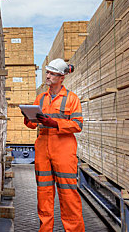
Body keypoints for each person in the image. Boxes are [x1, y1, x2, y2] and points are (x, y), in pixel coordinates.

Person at [23, 58, 85, 232]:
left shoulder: (71, 99)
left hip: (64, 151)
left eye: (52, 73)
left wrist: (56, 124)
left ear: (61, 77)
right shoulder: (40, 98)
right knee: (44, 197)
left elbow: (78, 125)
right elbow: (32, 124)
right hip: (43, 150)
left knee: (69, 197)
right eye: (47, 72)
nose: (48, 76)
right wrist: (28, 118)